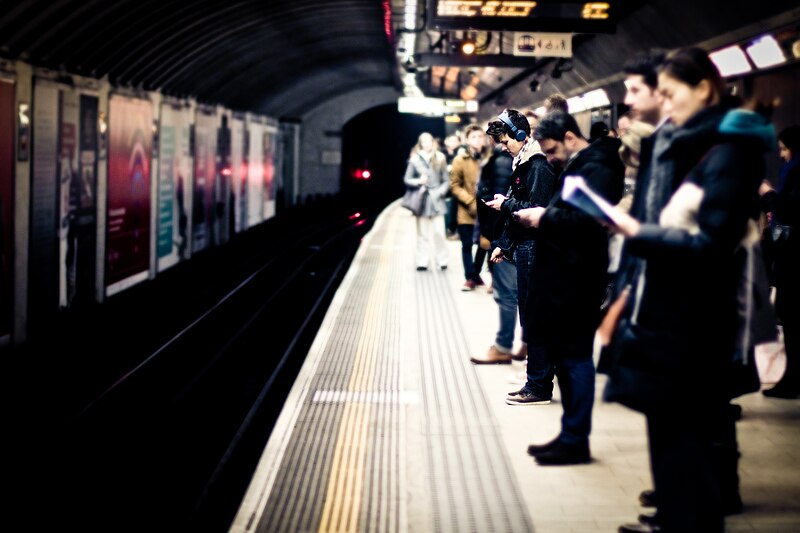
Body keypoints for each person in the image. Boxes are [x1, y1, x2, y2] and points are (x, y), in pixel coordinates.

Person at [601, 47, 775, 532]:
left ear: (703, 88)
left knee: (688, 447)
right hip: (670, 315)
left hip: (696, 322)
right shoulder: (692, 142)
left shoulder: (727, 152)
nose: (664, 102)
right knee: (672, 443)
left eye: (669, 93)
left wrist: (639, 234)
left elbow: (711, 244)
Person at [514, 110, 624, 463]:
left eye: (550, 150)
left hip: (578, 278)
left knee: (575, 357)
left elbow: (590, 221)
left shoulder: (598, 169)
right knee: (565, 356)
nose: (548, 159)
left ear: (570, 138)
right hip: (566, 276)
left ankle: (576, 439)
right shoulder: (582, 166)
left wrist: (543, 216)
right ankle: (569, 434)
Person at [471, 109, 557, 369]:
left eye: (507, 141)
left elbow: (536, 207)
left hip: (533, 246)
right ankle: (533, 371)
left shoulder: (538, 165)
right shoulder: (521, 161)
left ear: (520, 135)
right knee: (526, 310)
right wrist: (504, 245)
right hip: (520, 244)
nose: (504, 147)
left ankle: (538, 377)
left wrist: (506, 204)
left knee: (531, 312)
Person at [760, 124, 800, 399]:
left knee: (791, 313)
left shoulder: (798, 171)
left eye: (785, 149)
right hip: (792, 256)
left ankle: (792, 380)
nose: (783, 156)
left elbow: (790, 210)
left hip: (794, 256)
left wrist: (768, 194)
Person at [475, 140, 519, 362]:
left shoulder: (501, 161)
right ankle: (527, 346)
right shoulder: (524, 163)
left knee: (507, 294)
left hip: (505, 236)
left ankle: (503, 346)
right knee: (521, 294)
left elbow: (490, 200)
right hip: (512, 235)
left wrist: (490, 235)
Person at [403, 132, 450, 271]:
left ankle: (442, 260)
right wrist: (419, 181)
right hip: (421, 200)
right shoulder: (414, 160)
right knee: (422, 233)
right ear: (420, 144)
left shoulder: (440, 158)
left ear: (432, 142)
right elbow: (407, 179)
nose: (427, 144)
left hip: (436, 199)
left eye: (429, 141)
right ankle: (422, 261)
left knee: (439, 232)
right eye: (424, 142)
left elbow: (446, 180)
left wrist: (440, 192)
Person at [450, 124, 488, 291]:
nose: (478, 140)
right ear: (467, 140)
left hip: (486, 210)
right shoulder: (460, 160)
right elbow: (454, 185)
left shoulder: (489, 157)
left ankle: (475, 274)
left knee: (483, 244)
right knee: (466, 245)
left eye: (480, 136)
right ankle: (470, 277)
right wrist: (470, 201)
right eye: (474, 137)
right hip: (466, 211)